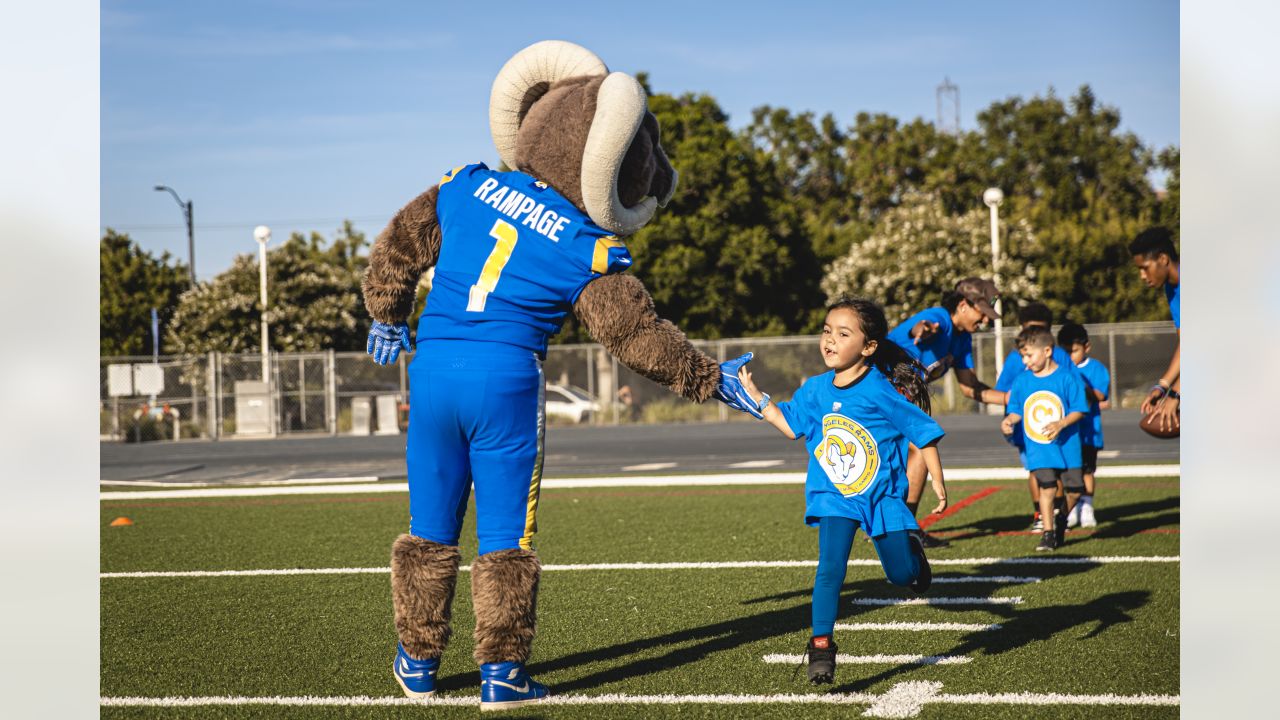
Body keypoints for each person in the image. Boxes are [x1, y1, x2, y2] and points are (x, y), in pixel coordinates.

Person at [734, 297, 946, 684]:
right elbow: (789, 425)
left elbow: (923, 433)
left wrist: (937, 480)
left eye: (843, 334)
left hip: (881, 498)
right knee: (829, 570)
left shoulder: (881, 390)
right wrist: (758, 398)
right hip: (834, 495)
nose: (830, 340)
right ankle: (821, 647)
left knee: (900, 575)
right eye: (827, 331)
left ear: (868, 347)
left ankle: (913, 559)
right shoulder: (814, 390)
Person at [886, 277, 1007, 547]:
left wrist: (1014, 400)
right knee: (914, 449)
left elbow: (970, 388)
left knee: (919, 447)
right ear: (963, 305)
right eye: (983, 314)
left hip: (901, 399)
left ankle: (902, 528)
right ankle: (899, 527)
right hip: (879, 393)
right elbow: (921, 326)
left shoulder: (962, 340)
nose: (986, 321)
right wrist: (924, 329)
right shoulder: (938, 317)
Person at [1000, 326, 1089, 551]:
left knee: (1076, 490)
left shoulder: (1068, 378)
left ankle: (1061, 519)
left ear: (1047, 351)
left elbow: (1080, 409)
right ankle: (1048, 533)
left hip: (1068, 445)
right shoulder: (1022, 381)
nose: (1025, 361)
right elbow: (1017, 409)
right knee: (1047, 488)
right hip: (1039, 446)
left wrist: (1061, 423)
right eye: (1023, 356)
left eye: (1029, 355)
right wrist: (1009, 420)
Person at [989, 302, 1076, 532]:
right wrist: (1013, 416)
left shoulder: (1059, 356)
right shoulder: (1017, 358)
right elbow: (1004, 392)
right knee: (1036, 469)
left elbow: (1074, 385)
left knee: (1060, 470)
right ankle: (1040, 513)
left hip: (1059, 426)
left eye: (1041, 329)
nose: (1034, 335)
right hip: (1028, 427)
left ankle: (1058, 512)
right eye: (1030, 329)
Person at [1058, 322, 1111, 528]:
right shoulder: (1060, 370)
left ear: (1086, 347)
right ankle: (1069, 510)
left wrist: (1081, 384)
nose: (1070, 356)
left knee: (1087, 471)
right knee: (1068, 472)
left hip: (1088, 431)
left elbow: (1100, 395)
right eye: (1065, 351)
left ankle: (1087, 507)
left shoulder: (1096, 368)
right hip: (1068, 432)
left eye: (1074, 351)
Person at [1128, 227, 1180, 433]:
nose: (1142, 275)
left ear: (1163, 259)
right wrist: (1163, 386)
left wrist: (1176, 395)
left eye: (1145, 267)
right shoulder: (1172, 288)